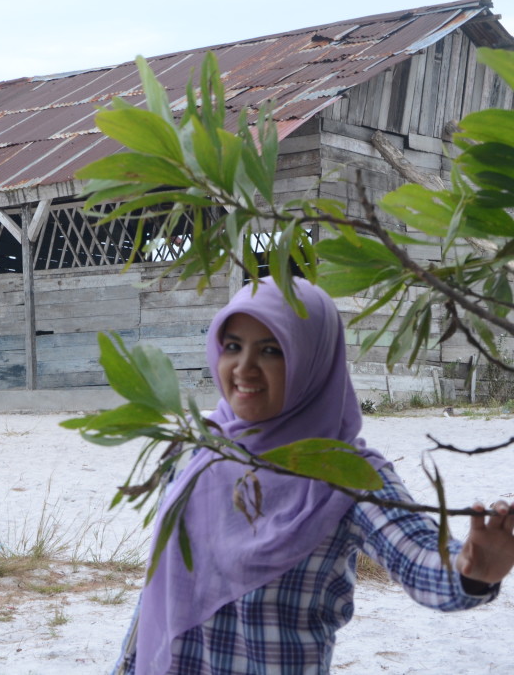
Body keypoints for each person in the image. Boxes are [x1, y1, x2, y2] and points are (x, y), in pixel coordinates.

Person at [113, 277, 514, 675]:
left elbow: (417, 555)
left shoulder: (345, 474)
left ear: (314, 361)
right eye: (233, 346)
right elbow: (158, 594)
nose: (244, 368)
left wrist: (471, 572)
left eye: (272, 350)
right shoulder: (200, 450)